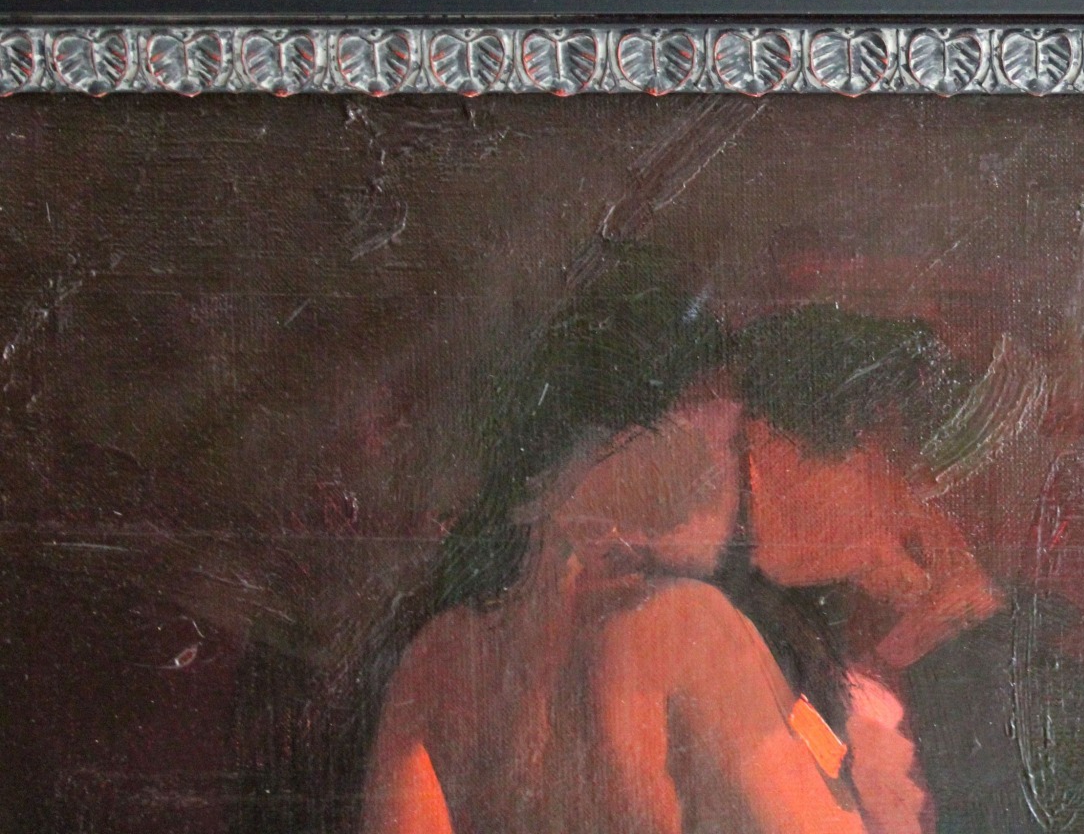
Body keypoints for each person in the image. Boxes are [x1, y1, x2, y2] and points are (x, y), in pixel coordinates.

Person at [359, 253, 998, 834]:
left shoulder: (438, 655)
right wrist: (875, 790)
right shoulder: (683, 626)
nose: (737, 476)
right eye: (722, 438)